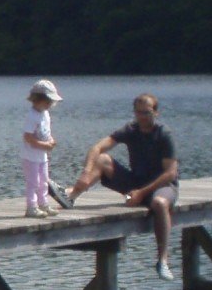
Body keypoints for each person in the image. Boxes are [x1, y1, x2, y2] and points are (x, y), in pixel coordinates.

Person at [56, 93, 181, 278]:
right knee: (102, 159)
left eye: (146, 113)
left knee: (160, 204)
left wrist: (141, 193)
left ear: (156, 112)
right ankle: (72, 195)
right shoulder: (131, 129)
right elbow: (97, 147)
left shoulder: (164, 134)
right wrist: (85, 172)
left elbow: (171, 173)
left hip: (162, 186)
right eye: (138, 113)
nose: (142, 117)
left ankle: (163, 260)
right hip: (136, 182)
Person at [21, 79, 63, 219]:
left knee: (44, 180)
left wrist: (51, 141)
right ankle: (31, 207)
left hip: (42, 156)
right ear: (37, 99)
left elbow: (46, 132)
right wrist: (44, 145)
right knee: (33, 182)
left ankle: (43, 204)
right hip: (31, 156)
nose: (50, 104)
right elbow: (28, 137)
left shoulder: (45, 113)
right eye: (48, 101)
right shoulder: (32, 115)